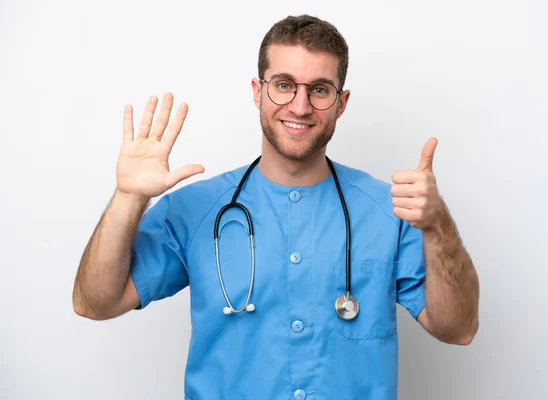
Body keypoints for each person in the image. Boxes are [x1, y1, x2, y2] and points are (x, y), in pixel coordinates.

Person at [73, 14, 479, 400]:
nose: (300, 107)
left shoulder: (390, 213)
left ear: (341, 102)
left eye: (319, 89)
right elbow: (94, 303)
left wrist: (438, 225)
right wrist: (129, 199)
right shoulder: (196, 210)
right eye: (284, 85)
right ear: (257, 91)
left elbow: (458, 329)